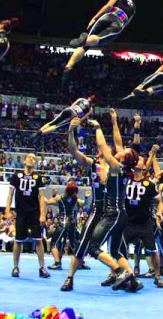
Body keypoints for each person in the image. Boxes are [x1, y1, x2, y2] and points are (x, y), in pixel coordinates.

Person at [60, 118, 142, 293]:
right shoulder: (96, 165)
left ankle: (122, 273)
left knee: (100, 247)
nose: (99, 151)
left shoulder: (115, 166)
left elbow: (108, 146)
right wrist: (71, 131)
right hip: (102, 210)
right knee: (91, 246)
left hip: (111, 212)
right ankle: (70, 278)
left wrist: (98, 127)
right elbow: (74, 151)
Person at [64, 0, 150, 73]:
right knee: (97, 39)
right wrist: (114, 35)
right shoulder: (134, 9)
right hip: (119, 23)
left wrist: (95, 17)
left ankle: (69, 65)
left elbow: (108, 6)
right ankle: (84, 42)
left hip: (107, 16)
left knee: (85, 46)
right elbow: (125, 25)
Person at [6, 154, 50, 279]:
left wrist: (42, 215)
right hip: (21, 212)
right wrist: (7, 210)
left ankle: (42, 268)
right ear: (24, 160)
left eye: (34, 158)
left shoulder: (38, 178)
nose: (31, 159)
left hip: (34, 213)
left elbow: (41, 197)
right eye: (29, 157)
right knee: (18, 240)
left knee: (38, 240)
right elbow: (10, 195)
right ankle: (15, 267)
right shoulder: (16, 176)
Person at [124, 155, 163, 288]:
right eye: (136, 160)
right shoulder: (125, 180)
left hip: (144, 223)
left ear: (144, 166)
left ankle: (157, 276)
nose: (137, 162)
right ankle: (119, 274)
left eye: (140, 160)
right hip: (127, 222)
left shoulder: (150, 184)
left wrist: (159, 212)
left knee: (153, 249)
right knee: (120, 249)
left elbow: (159, 201)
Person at [45, 180, 85, 271]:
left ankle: (57, 263)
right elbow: (83, 203)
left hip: (62, 222)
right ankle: (81, 262)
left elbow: (47, 202)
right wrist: (86, 197)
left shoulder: (60, 197)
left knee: (54, 244)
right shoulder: (75, 198)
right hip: (72, 222)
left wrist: (40, 195)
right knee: (72, 243)